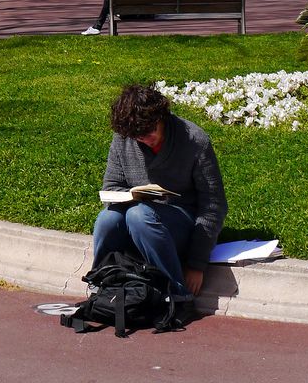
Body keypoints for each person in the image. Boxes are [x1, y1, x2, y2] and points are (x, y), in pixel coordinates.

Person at [91, 83, 227, 313]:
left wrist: (196, 264)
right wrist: (134, 195)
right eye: (137, 137)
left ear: (161, 117)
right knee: (107, 218)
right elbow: (112, 187)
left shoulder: (194, 140)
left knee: (139, 215)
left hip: (180, 221)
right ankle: (104, 283)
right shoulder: (123, 138)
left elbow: (213, 205)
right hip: (139, 216)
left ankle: (177, 294)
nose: (145, 139)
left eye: (149, 132)